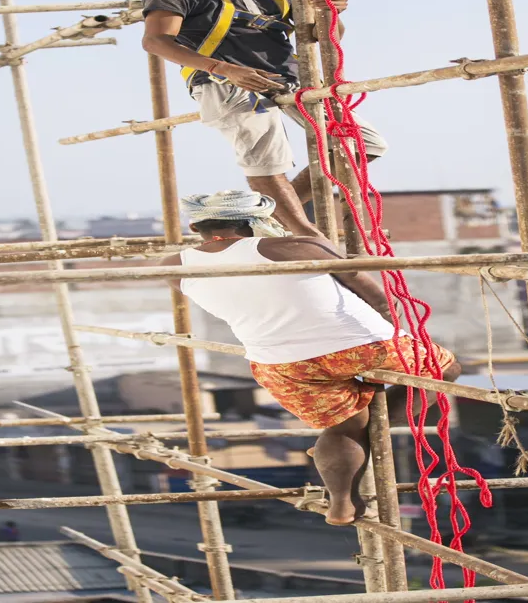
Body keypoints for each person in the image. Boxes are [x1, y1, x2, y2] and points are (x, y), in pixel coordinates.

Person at [161, 190, 460, 526]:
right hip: (361, 345)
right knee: (445, 368)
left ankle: (342, 504)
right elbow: (366, 287)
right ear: (256, 221)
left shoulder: (173, 265)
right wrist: (391, 321)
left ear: (195, 225)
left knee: (344, 426)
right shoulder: (292, 247)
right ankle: (372, 434)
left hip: (280, 364)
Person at [142, 0, 388, 239]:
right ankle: (306, 234)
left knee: (364, 144)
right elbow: (156, 42)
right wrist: (224, 69)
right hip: (226, 83)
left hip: (291, 78)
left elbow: (323, 39)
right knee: (267, 160)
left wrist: (329, 12)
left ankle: (277, 214)